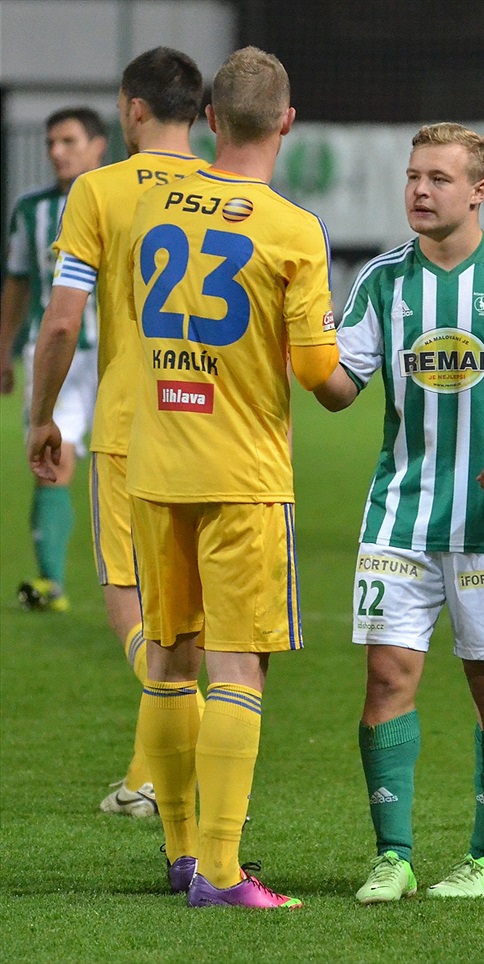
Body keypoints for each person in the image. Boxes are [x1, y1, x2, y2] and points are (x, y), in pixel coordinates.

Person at [313, 123, 484, 901]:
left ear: (477, 191)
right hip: (400, 515)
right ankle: (393, 856)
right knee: (384, 680)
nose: (419, 190)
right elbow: (341, 392)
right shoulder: (382, 280)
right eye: (412, 175)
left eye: (438, 177)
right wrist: (307, 351)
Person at [123, 46, 337, 907]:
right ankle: (218, 870)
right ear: (286, 122)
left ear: (211, 118)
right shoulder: (291, 229)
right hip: (242, 473)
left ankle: (179, 853)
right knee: (238, 671)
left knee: (169, 660)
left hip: (156, 461)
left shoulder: (146, 207)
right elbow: (321, 376)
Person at [26, 48, 206, 818]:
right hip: (219, 432)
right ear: (196, 111)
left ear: (132, 110)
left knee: (132, 607)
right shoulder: (239, 190)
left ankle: (198, 744)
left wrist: (41, 414)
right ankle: (146, 779)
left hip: (134, 426)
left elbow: (63, 319)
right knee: (190, 617)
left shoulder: (97, 190)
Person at [1, 107, 107, 612]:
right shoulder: (30, 210)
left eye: (68, 140)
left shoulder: (121, 200)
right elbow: (18, 283)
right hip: (56, 356)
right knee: (54, 460)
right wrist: (3, 348)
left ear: (97, 146)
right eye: (50, 143)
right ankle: (53, 584)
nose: (56, 152)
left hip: (115, 358)